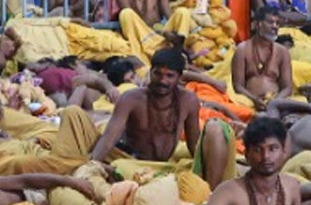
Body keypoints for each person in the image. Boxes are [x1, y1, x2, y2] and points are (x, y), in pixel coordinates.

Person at [89, 47, 234, 190]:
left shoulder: (188, 100)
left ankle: (212, 194)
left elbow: (194, 146)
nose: (162, 81)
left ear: (179, 77)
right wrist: (90, 166)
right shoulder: (130, 99)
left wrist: (211, 158)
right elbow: (108, 140)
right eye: (157, 74)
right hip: (136, 163)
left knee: (218, 131)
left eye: (170, 76)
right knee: (119, 168)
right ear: (150, 72)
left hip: (168, 165)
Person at [206, 117, 301, 205]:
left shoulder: (291, 187)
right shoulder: (227, 193)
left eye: (272, 149)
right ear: (246, 154)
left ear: (283, 152)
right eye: (257, 150)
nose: (265, 156)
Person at [232, 8, 294, 108]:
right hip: (248, 102)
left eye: (277, 23)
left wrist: (275, 101)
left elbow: (287, 88)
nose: (275, 26)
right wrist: (254, 100)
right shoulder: (242, 49)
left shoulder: (282, 52)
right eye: (270, 22)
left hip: (276, 103)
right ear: (258, 24)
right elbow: (238, 86)